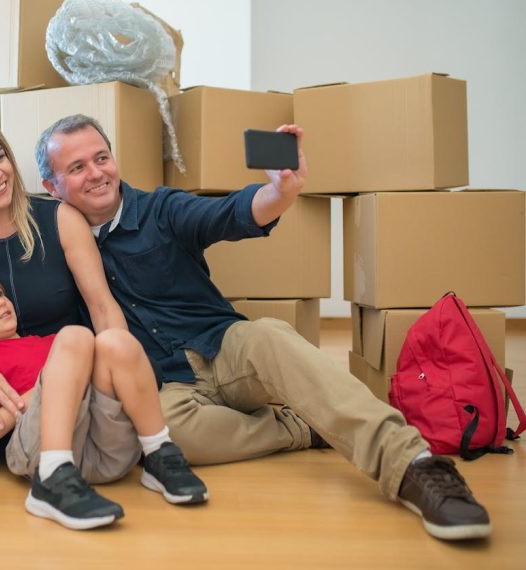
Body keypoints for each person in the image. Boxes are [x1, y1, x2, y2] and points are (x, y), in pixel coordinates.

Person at [33, 113, 492, 542]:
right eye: (77, 167)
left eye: (101, 158)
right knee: (165, 435)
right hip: (165, 384)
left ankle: (413, 465)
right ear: (52, 187)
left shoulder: (161, 209)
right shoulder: (52, 250)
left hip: (222, 347)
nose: (96, 173)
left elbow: (230, 213)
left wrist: (280, 192)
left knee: (271, 336)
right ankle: (299, 428)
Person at [0, 113, 204, 524]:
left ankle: (159, 454)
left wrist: (121, 366)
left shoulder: (59, 217)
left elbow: (102, 307)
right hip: (9, 394)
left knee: (108, 341)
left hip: (73, 373)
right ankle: (50, 471)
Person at [0, 263, 207, 529]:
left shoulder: (51, 345)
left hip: (105, 453)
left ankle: (158, 452)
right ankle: (53, 475)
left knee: (115, 340)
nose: (0, 302)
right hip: (38, 455)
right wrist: (35, 393)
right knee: (75, 335)